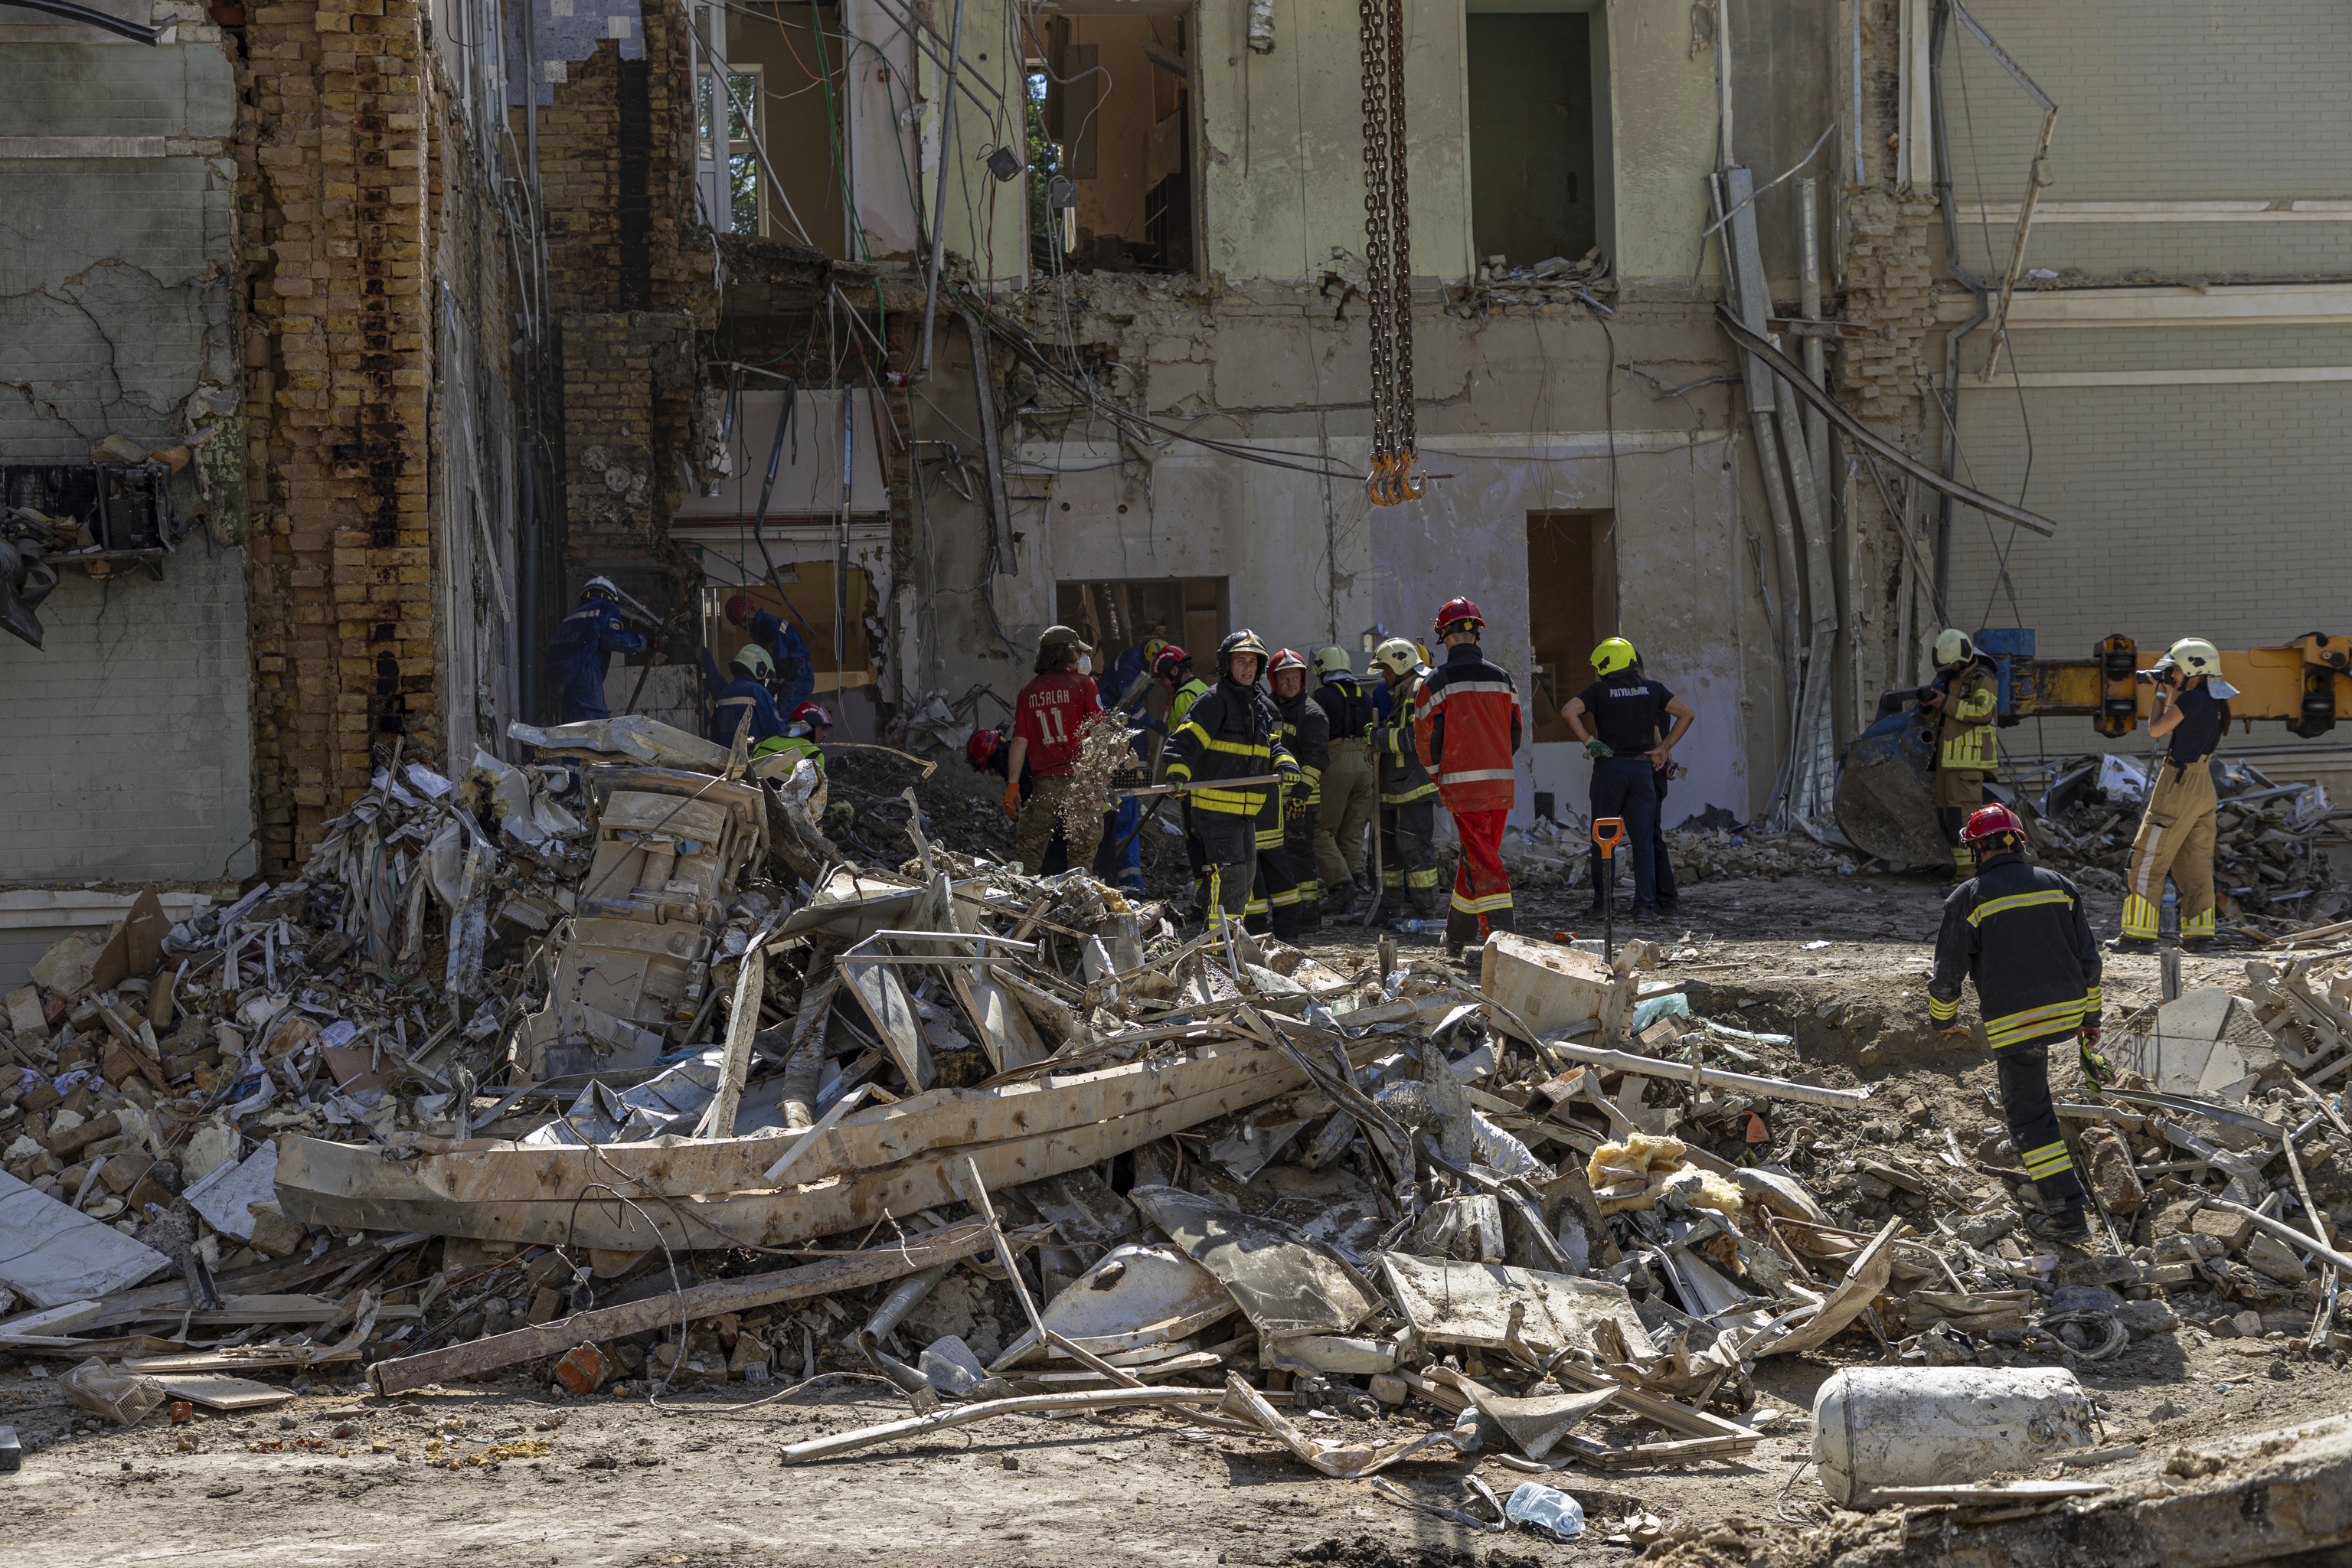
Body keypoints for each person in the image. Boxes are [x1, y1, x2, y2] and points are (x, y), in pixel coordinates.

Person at [1928, 803, 2107, 1243]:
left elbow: (1947, 974)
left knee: (2030, 1117)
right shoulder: (2060, 886)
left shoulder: (1967, 898)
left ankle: (2066, 1215)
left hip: (2018, 1019)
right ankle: (2028, 1153)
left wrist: (1943, 1022)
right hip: (2068, 1008)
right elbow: (2089, 959)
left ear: (1976, 849)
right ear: (2020, 842)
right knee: (2034, 1100)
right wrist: (2090, 1018)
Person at [1164, 630, 1300, 928]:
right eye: (1241, 661)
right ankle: (1216, 949)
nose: (1248, 667)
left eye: (1253, 661)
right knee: (1229, 876)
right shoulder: (1213, 700)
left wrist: (1284, 760)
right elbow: (1183, 742)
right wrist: (1177, 772)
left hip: (1246, 812)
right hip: (1216, 812)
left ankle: (1229, 942)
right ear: (1227, 665)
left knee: (1245, 878)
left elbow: (1272, 744)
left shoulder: (1258, 706)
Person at [1415, 597, 1523, 957]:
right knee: (1477, 856)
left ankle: (1503, 943)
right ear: (1476, 632)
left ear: (1443, 635)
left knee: (1483, 860)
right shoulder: (1503, 679)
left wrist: (1440, 777)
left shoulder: (1435, 682)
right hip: (1500, 783)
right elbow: (1515, 733)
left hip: (1463, 788)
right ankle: (1456, 936)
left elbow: (1425, 742)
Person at [1560, 638, 1694, 923]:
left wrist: (1589, 741)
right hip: (1643, 773)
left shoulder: (1599, 691)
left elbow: (1568, 711)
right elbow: (1686, 714)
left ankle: (1603, 905)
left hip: (1610, 771)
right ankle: (1644, 907)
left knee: (1604, 840)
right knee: (1644, 842)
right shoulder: (1653, 689)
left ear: (1608, 663)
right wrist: (1663, 749)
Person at [2115, 638, 2233, 953]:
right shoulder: (2212, 701)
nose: (2172, 674)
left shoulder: (2191, 700)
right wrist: (2171, 690)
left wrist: (2161, 692)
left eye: (2175, 670)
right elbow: (2175, 726)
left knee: (2149, 856)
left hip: (2178, 784)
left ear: (2194, 669)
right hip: (2203, 785)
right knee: (2193, 860)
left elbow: (2156, 729)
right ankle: (2199, 936)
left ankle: (2137, 936)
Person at [1006, 626, 1107, 874]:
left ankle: (1015, 904)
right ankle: (1082, 901)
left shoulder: (1028, 692)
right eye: (1076, 652)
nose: (1079, 658)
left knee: (1028, 852)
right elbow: (1100, 733)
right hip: (1080, 782)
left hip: (1046, 784)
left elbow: (1019, 741)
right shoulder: (1085, 684)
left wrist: (1013, 785)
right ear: (1066, 653)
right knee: (1082, 852)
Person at [1370, 636, 1442, 920]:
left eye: (1386, 668)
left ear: (1401, 664)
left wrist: (1378, 737)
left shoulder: (1418, 689)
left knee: (1415, 851)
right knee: (1389, 850)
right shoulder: (1403, 689)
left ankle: (1427, 912)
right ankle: (1388, 908)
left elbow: (1417, 738)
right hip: (1396, 788)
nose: (1384, 674)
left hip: (1413, 788)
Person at [1922, 629, 2000, 883]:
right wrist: (1930, 706)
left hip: (1968, 763)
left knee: (1964, 822)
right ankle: (1963, 875)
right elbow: (1944, 719)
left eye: (1952, 663)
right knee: (1948, 821)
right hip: (1948, 762)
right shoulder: (1952, 680)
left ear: (1964, 657)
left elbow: (1984, 711)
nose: (1949, 668)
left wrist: (1947, 702)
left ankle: (1970, 879)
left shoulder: (1981, 677)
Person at [1266, 648, 1328, 936]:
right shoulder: (1268, 707)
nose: (1291, 684)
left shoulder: (1311, 713)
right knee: (1281, 856)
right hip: (1274, 797)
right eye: (1285, 678)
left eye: (1295, 678)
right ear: (1273, 680)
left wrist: (1302, 791)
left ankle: (1309, 918)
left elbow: (1317, 759)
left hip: (1301, 799)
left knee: (1299, 856)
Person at [1311, 646, 1378, 917]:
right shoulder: (1365, 695)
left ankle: (1341, 886)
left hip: (1336, 761)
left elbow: (1315, 731)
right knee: (1352, 830)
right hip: (1365, 765)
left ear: (1322, 669)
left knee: (1320, 830)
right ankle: (1352, 888)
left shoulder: (1321, 696)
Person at [544, 576, 647, 723]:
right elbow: (613, 637)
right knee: (596, 730)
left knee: (574, 731)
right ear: (612, 598)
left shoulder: (571, 618)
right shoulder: (606, 606)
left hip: (557, 683)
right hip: (583, 678)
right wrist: (645, 641)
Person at [723, 593, 816, 715]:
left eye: (743, 621)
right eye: (739, 624)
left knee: (783, 719)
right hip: (795, 674)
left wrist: (766, 692)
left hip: (797, 676)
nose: (743, 626)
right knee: (783, 717)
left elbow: (781, 667)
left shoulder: (769, 627)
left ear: (750, 611)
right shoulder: (763, 628)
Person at [703, 642, 789, 748]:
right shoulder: (758, 692)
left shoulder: (723, 695)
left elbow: (715, 735)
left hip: (726, 761)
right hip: (754, 761)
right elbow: (776, 730)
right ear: (759, 668)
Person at [753, 700, 831, 772]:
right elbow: (816, 786)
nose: (825, 735)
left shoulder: (764, 742)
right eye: (822, 728)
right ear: (810, 726)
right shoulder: (815, 754)